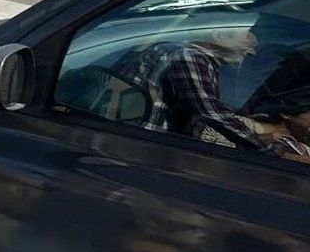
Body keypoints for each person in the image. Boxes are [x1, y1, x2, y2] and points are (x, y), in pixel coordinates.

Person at [123, 27, 307, 158]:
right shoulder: (189, 58)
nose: (252, 44)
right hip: (150, 149)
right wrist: (268, 150)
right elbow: (212, 114)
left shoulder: (176, 51)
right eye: (245, 31)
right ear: (219, 35)